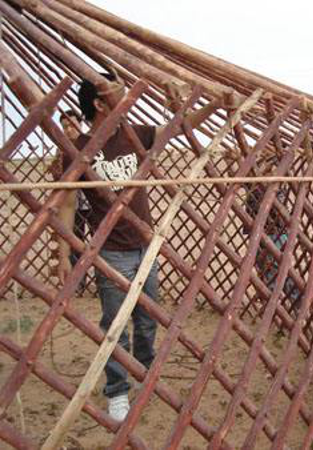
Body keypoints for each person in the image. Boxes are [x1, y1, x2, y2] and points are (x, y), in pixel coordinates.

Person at [57, 73, 220, 421]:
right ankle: (117, 390)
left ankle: (144, 374)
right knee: (115, 325)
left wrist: (216, 103)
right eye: (117, 91)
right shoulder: (79, 148)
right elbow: (67, 203)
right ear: (99, 103)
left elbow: (180, 127)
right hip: (111, 251)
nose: (126, 97)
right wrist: (62, 254)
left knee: (147, 320)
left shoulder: (135, 135)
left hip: (145, 247)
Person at [50, 110, 92, 293]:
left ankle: (106, 278)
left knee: (101, 242)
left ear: (80, 124)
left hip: (93, 204)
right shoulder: (61, 150)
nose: (68, 129)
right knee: (74, 243)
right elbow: (57, 176)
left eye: (71, 125)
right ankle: (78, 283)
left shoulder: (92, 144)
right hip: (73, 207)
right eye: (64, 127)